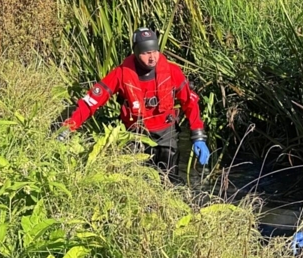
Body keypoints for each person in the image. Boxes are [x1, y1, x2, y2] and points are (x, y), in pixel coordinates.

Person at [58, 28, 210, 174]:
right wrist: (67, 128)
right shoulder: (121, 74)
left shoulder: (172, 72)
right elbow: (91, 102)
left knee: (170, 182)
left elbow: (190, 103)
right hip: (135, 135)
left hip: (167, 135)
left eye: (155, 51)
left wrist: (198, 136)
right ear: (136, 52)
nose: (152, 57)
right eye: (146, 53)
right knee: (139, 182)